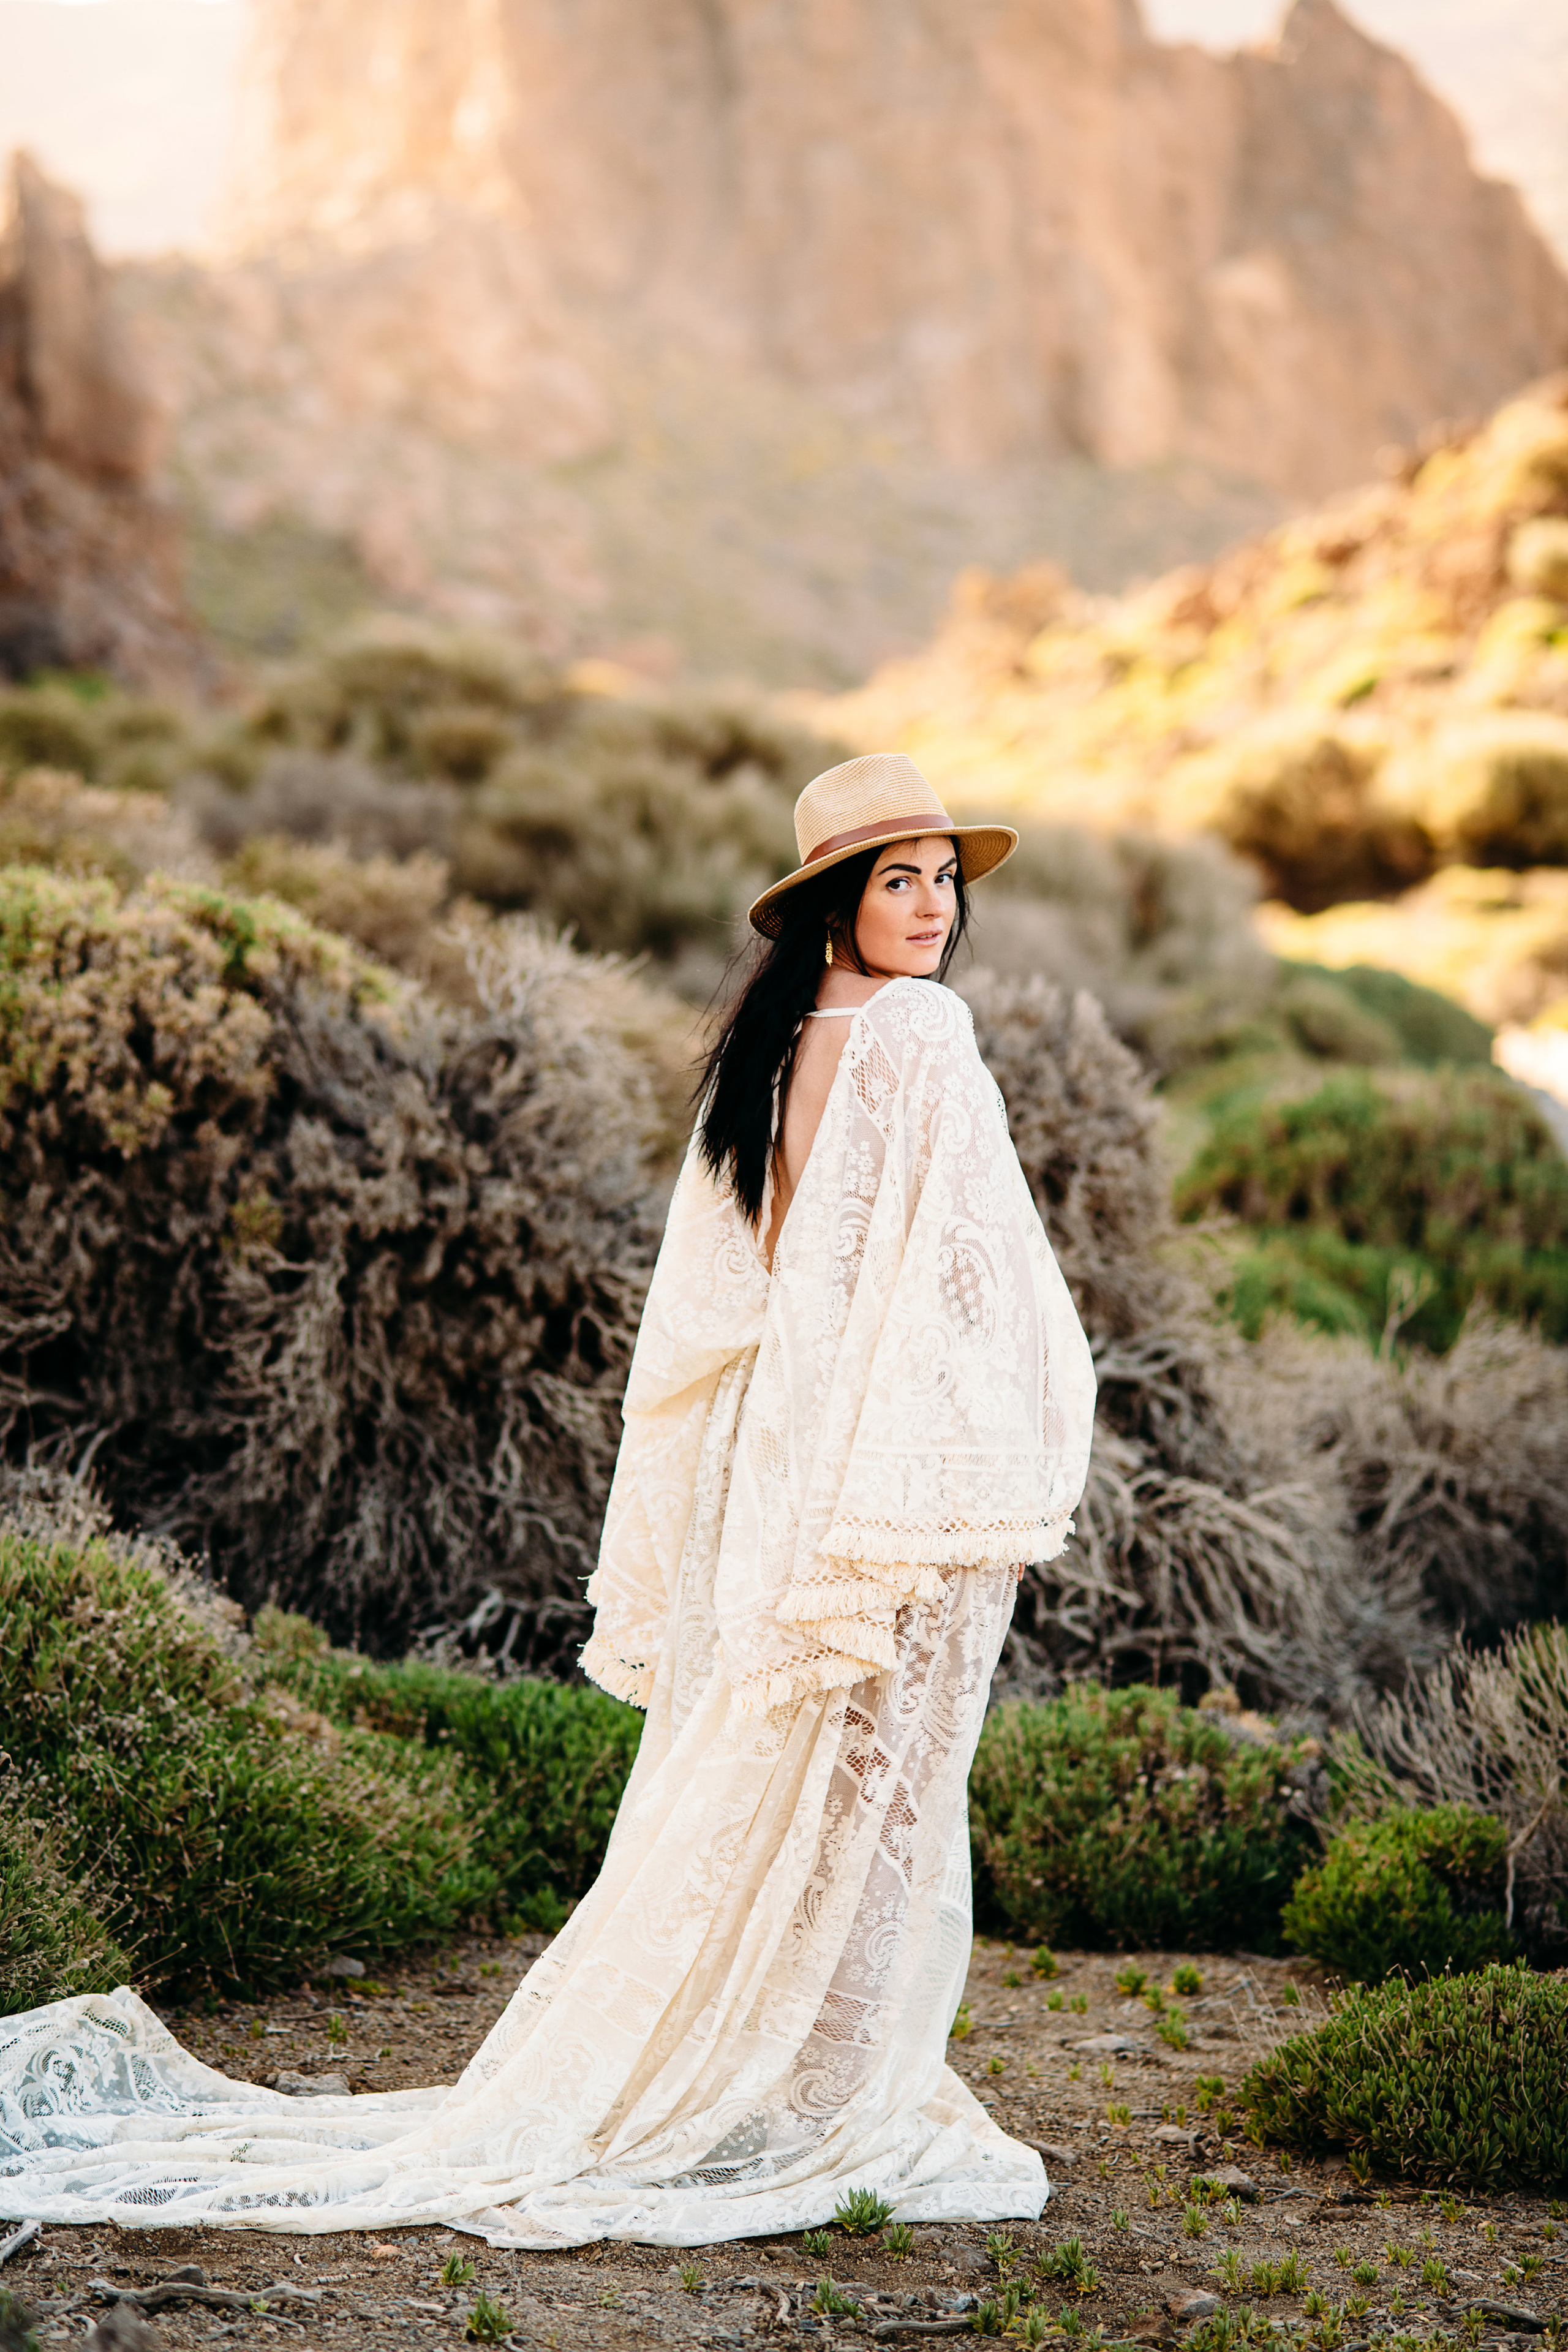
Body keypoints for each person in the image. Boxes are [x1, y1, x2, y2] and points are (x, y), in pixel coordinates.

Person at [0, 752, 1096, 2250]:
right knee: (869, 1770)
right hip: (861, 1451)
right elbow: (970, 1288)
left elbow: (742, 1286)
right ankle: (830, 2087)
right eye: (894, 878)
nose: (930, 906)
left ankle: (771, 2073)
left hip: (768, 1441)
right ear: (834, 905)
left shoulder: (771, 1041)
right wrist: (983, 1460)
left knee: (783, 1758)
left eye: (942, 877)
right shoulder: (917, 1030)